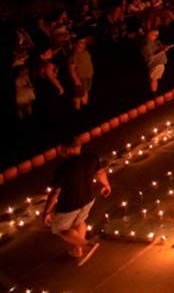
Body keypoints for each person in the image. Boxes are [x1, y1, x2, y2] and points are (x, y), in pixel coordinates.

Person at [42, 136, 109, 264]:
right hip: (88, 200)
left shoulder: (62, 170)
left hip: (69, 205)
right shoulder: (91, 157)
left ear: (66, 150)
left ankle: (86, 245)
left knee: (60, 229)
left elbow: (55, 192)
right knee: (79, 223)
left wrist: (46, 212)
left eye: (60, 148)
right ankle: (77, 251)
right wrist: (106, 185)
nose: (59, 150)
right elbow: (100, 173)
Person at [66, 39, 94, 109]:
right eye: (81, 42)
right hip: (80, 79)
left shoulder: (85, 52)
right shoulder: (74, 55)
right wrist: (76, 80)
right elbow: (71, 69)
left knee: (85, 97)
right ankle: (77, 112)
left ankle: (84, 111)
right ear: (75, 44)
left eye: (84, 42)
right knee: (78, 97)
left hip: (87, 78)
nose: (83, 44)